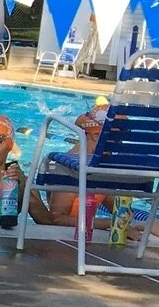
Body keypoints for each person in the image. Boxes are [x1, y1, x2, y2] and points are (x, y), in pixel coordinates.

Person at [26, 98, 118, 230]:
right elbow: (57, 219)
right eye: (117, 137)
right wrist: (109, 224)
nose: (120, 144)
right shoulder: (67, 167)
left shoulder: (103, 167)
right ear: (96, 135)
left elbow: (119, 210)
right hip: (60, 241)